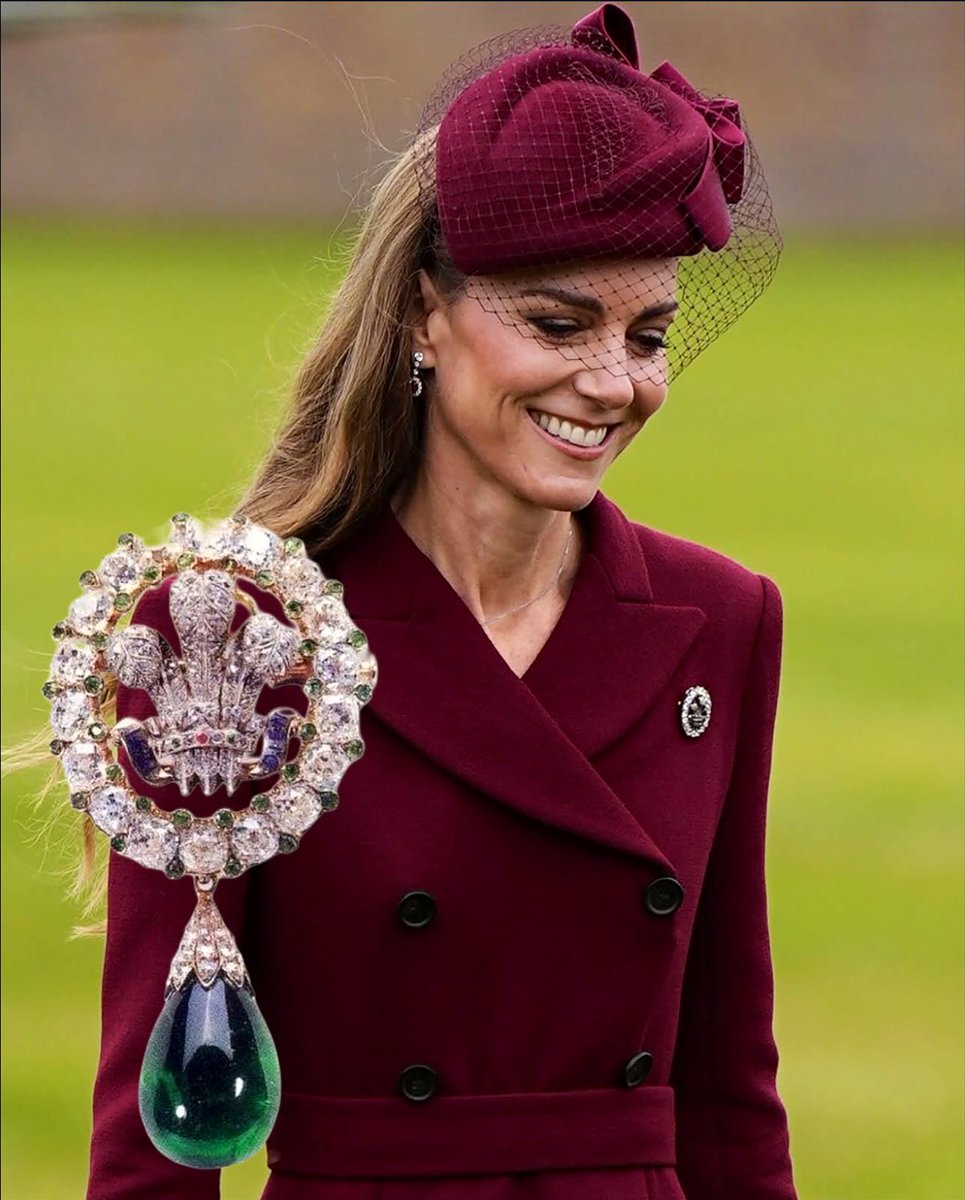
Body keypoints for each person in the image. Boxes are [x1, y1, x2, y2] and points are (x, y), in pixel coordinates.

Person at [84, 4, 797, 1197]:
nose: (613, 383)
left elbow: (730, 1087)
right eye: (558, 323)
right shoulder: (227, 635)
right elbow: (157, 1126)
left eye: (649, 334)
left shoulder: (721, 621)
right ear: (423, 311)